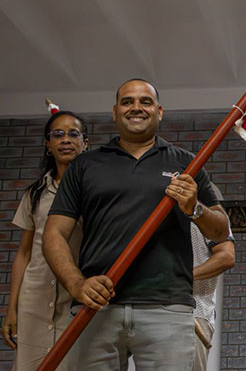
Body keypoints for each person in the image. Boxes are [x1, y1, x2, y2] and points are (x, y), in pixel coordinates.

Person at [43, 78, 230, 370]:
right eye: (127, 101)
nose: (136, 107)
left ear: (159, 112)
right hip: (98, 305)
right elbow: (54, 233)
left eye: (146, 101)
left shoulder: (186, 163)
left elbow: (221, 231)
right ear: (115, 112)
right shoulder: (85, 165)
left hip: (167, 306)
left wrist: (195, 208)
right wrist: (77, 284)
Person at [1, 111, 88, 370]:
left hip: (76, 299)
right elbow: (24, 253)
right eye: (57, 134)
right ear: (48, 144)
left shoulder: (95, 192)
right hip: (34, 299)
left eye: (73, 134)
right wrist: (12, 308)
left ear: (85, 143)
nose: (66, 140)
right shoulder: (35, 193)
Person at [191, 184, 235, 371]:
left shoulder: (208, 214)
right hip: (147, 309)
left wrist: (183, 277)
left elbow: (227, 257)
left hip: (194, 312)